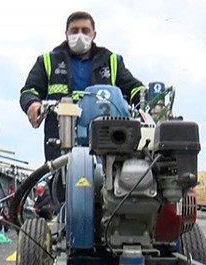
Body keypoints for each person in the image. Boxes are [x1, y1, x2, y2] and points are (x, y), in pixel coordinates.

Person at [19, 11, 144, 161]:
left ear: (93, 34)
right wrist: (32, 104)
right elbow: (29, 90)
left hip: (106, 145)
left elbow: (134, 89)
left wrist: (150, 100)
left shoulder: (111, 61)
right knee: (60, 181)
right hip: (60, 145)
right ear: (66, 34)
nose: (79, 35)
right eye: (74, 31)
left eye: (85, 30)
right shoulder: (48, 60)